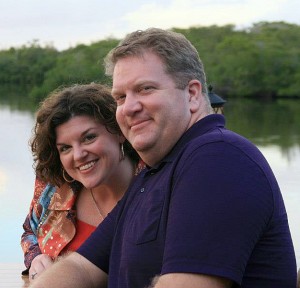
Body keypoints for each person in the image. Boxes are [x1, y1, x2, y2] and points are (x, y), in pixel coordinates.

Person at [30, 28, 297, 288]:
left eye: (145, 89)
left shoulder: (218, 157)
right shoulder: (152, 175)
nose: (129, 108)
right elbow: (82, 267)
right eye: (121, 97)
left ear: (192, 94)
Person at [21, 83, 143, 282]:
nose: (78, 155)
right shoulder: (54, 186)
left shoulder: (156, 183)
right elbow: (30, 231)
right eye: (65, 148)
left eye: (89, 138)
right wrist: (35, 258)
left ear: (119, 131)